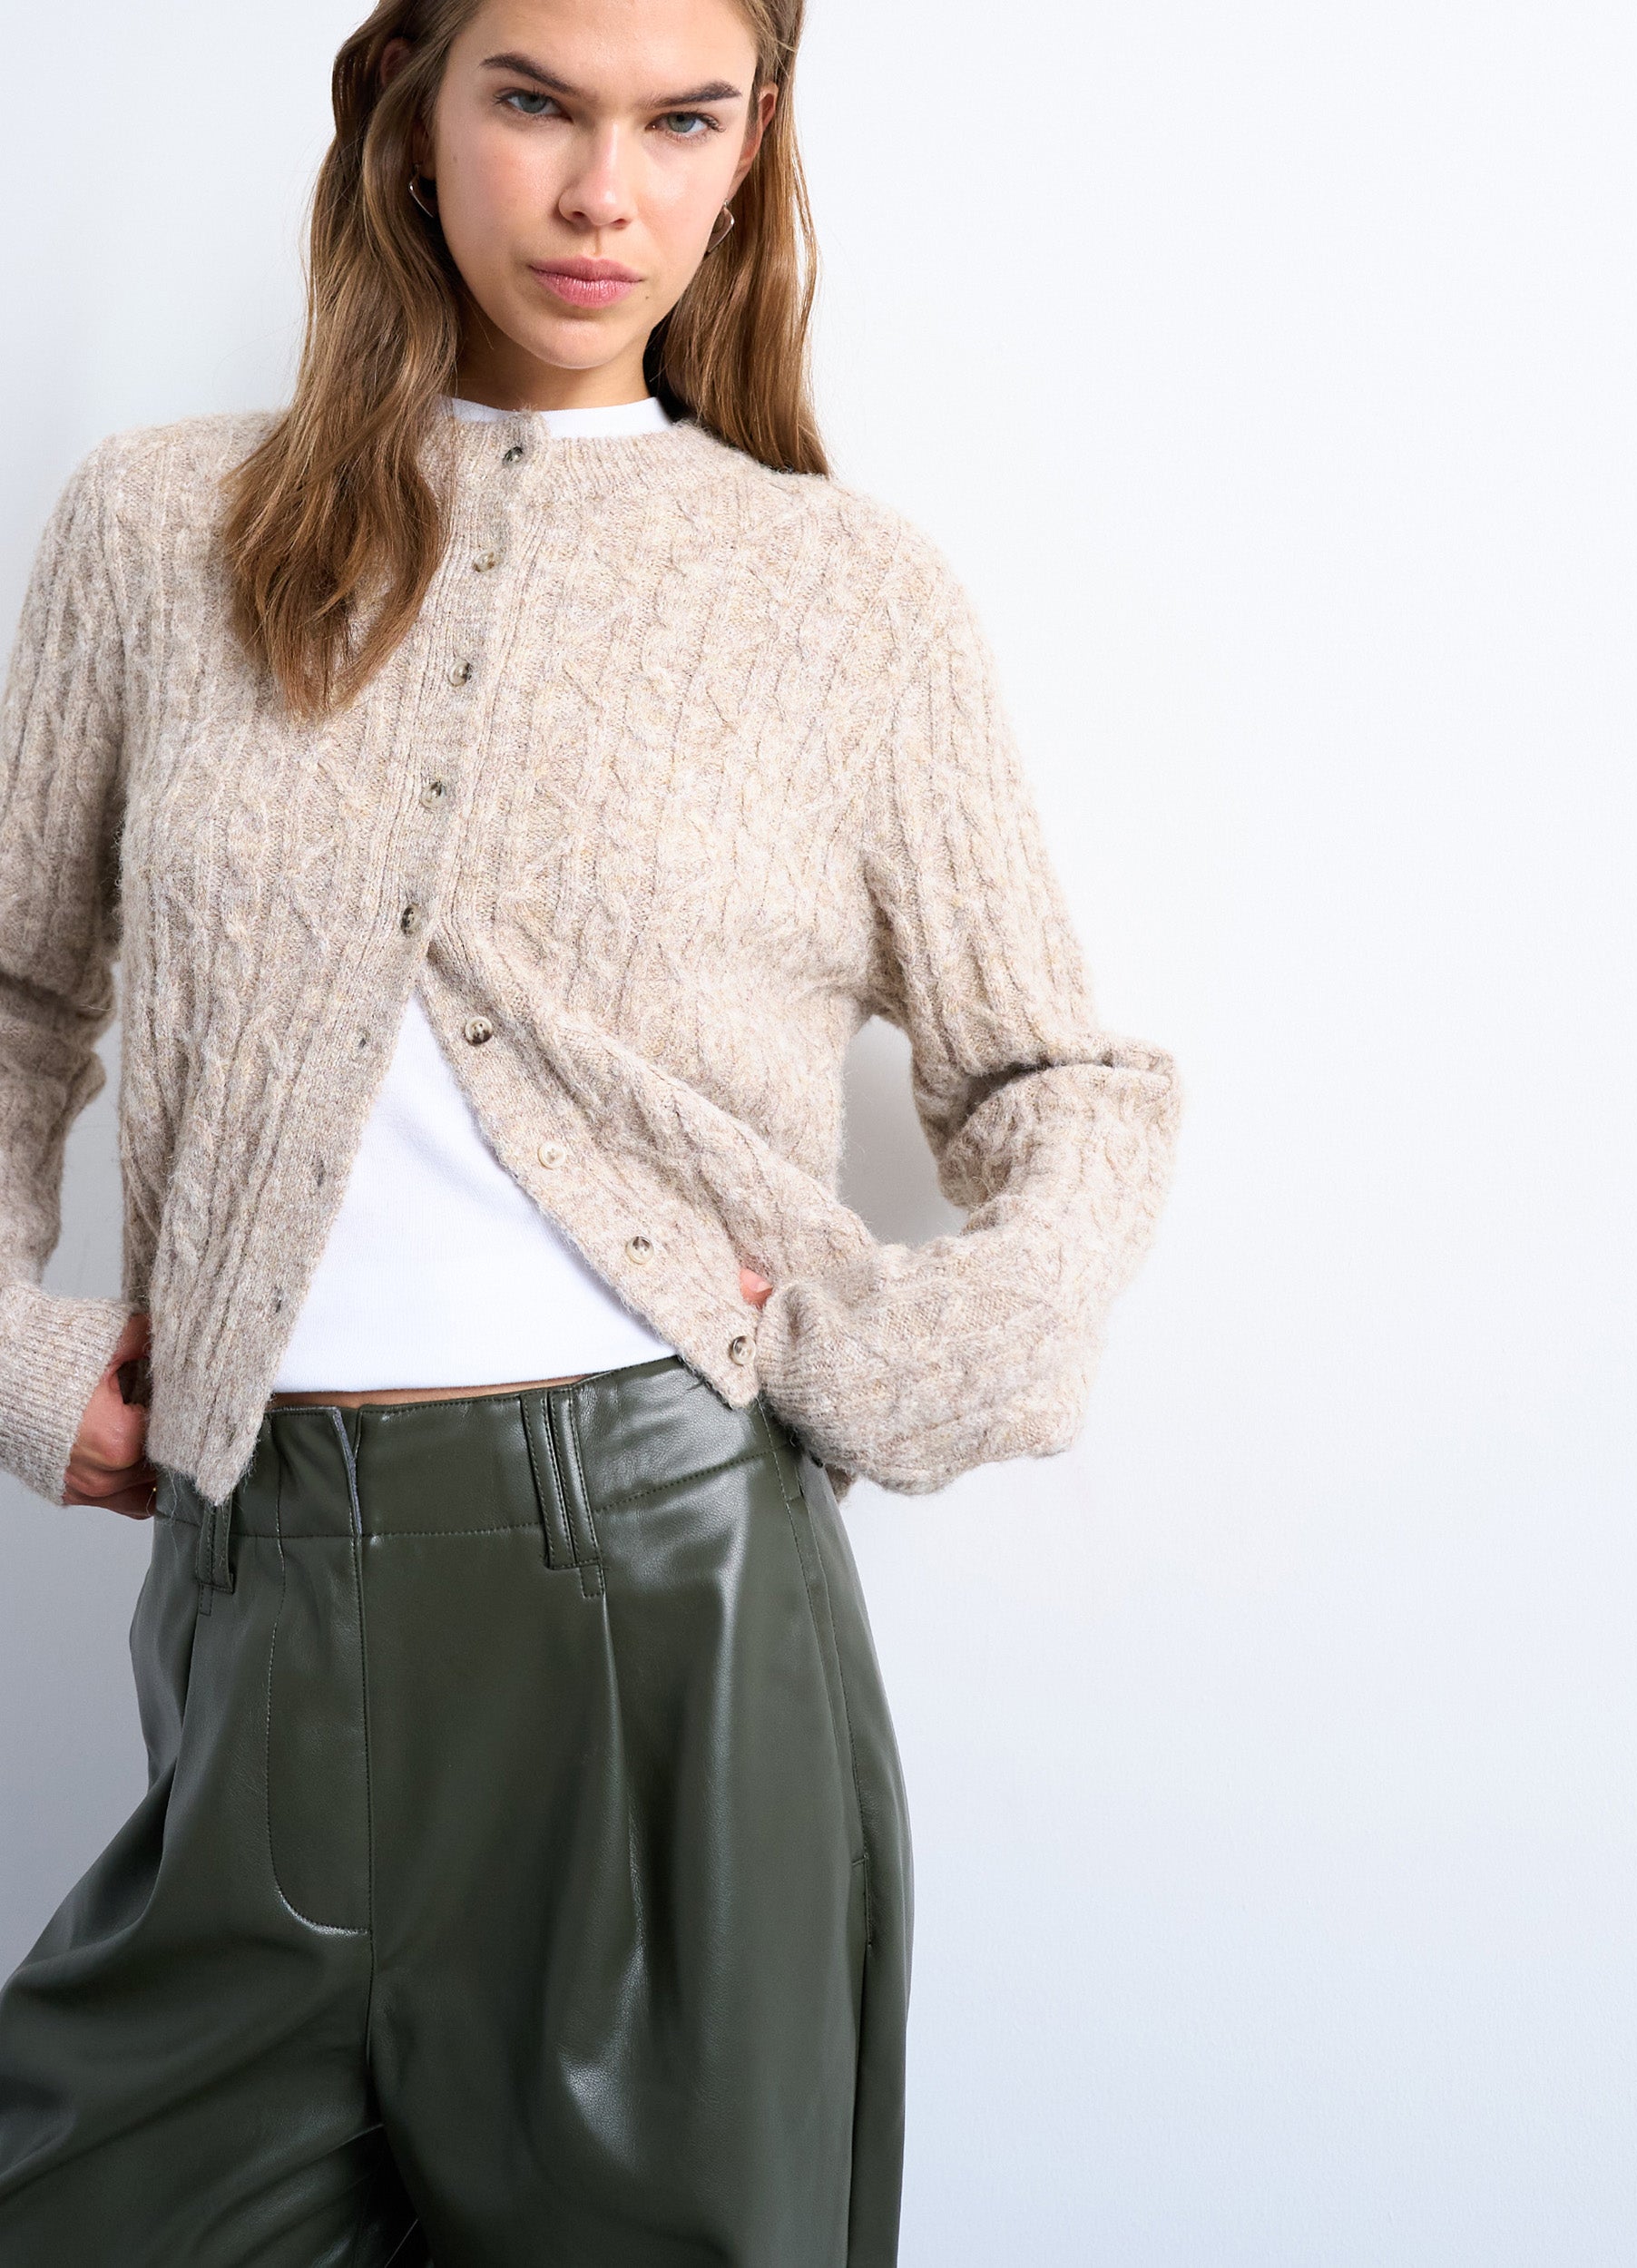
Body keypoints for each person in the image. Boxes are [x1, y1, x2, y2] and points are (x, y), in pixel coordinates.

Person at [0, 0, 1181, 2258]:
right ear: (410, 102)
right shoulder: (158, 527)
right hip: (252, 1603)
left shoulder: (842, 593)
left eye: (677, 120)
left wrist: (914, 1352)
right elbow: (14, 992)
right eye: (533, 100)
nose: (596, 193)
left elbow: (1062, 1086)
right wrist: (17, 1349)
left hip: (672, 1631)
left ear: (750, 147)